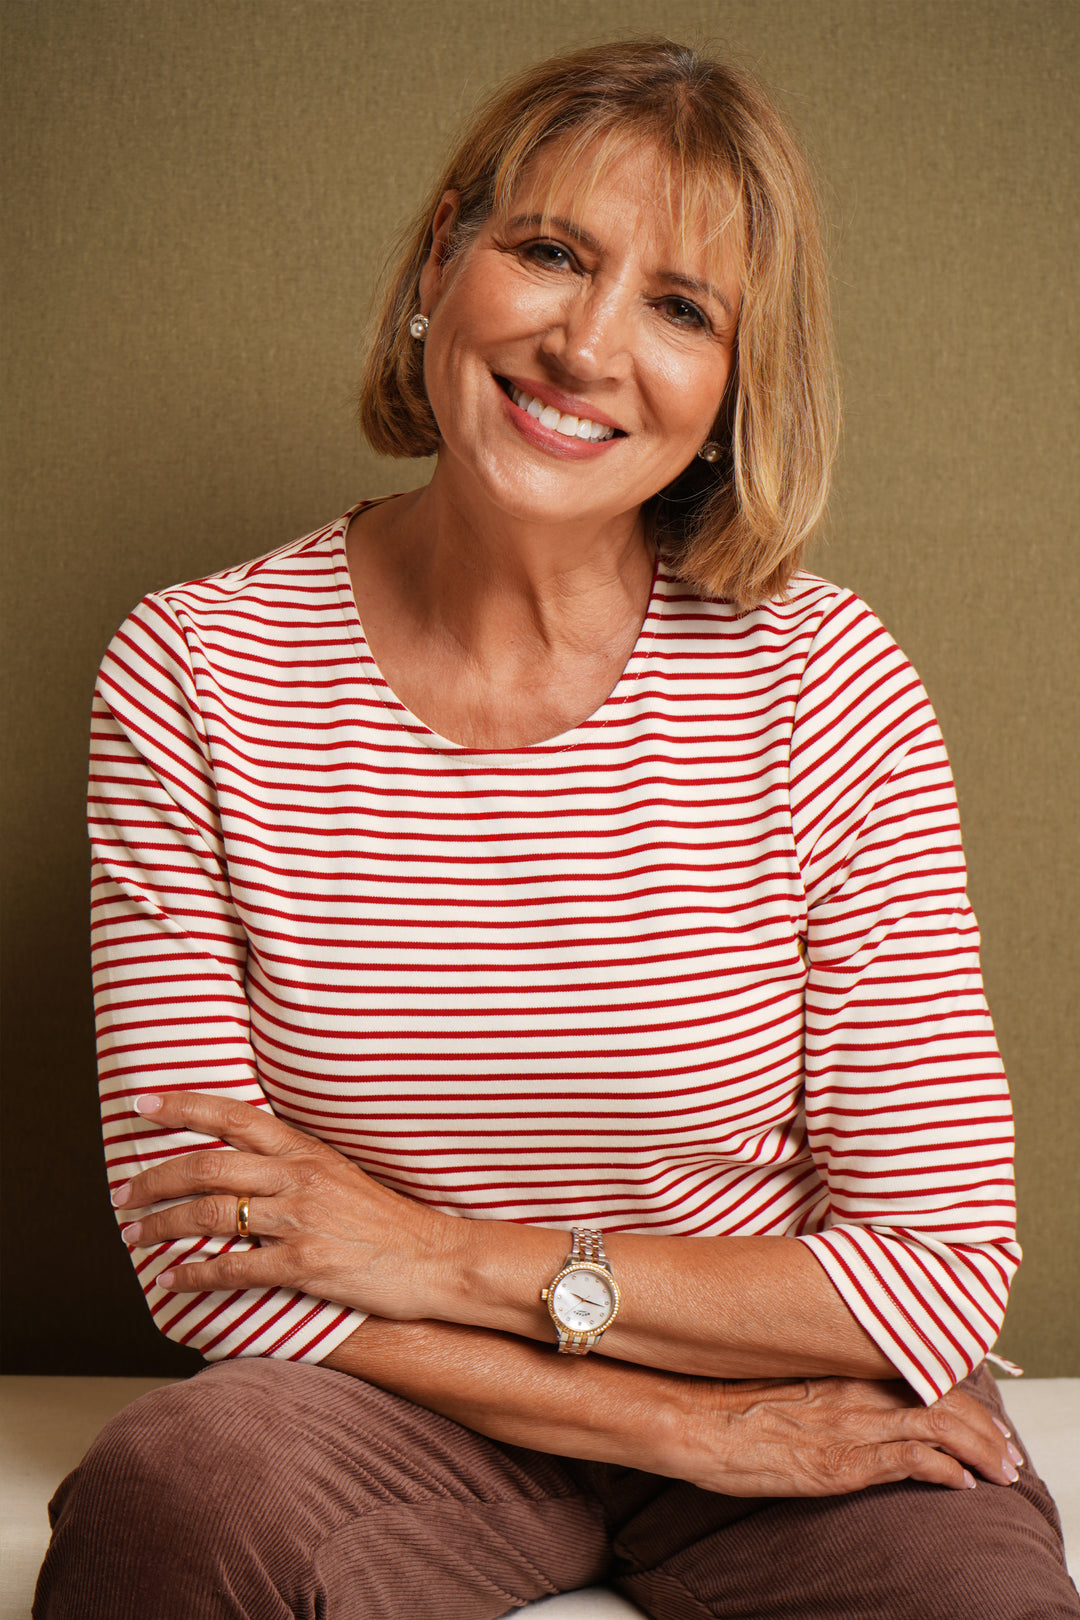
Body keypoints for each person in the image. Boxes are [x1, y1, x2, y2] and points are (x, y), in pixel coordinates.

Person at [36, 37, 1078, 1620]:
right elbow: (205, 1253)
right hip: (387, 1404)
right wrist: (685, 1428)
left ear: (734, 385)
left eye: (681, 306)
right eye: (548, 252)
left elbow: (936, 1267)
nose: (589, 344)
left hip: (779, 1388)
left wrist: (429, 1253)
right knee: (171, 1505)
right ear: (442, 257)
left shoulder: (824, 680)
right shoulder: (195, 668)